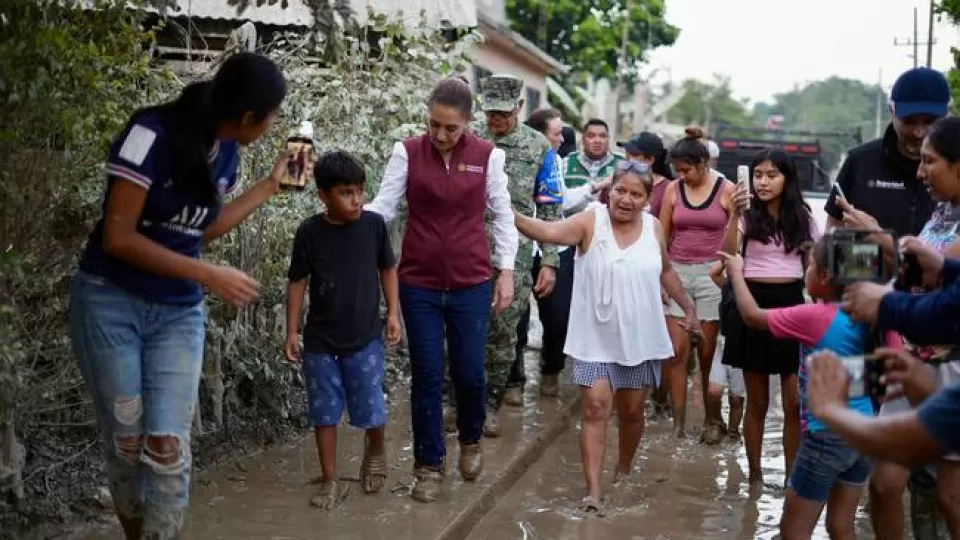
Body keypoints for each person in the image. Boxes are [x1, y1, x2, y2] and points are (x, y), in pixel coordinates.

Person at [69, 52, 287, 539]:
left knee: (167, 447)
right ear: (248, 116)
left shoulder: (227, 148)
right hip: (110, 302)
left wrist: (270, 185)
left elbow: (198, 232)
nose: (275, 125)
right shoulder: (150, 136)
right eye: (272, 116)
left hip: (176, 315)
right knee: (127, 444)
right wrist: (208, 274)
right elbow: (118, 238)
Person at [365, 77, 518, 503]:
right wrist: (350, 221)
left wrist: (505, 270)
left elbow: (502, 216)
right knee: (428, 376)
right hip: (418, 282)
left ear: (468, 123)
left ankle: (470, 439)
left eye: (451, 128)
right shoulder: (407, 151)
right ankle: (428, 467)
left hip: (471, 282)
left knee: (470, 373)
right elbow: (384, 206)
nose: (440, 135)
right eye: (434, 125)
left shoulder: (489, 156)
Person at [514, 160, 698, 510]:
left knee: (631, 413)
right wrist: (512, 216)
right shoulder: (590, 220)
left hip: (639, 337)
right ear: (608, 190)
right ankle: (594, 492)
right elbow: (550, 232)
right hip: (594, 337)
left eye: (636, 194)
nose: (626, 199)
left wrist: (687, 307)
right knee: (596, 407)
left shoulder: (654, 228)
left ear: (647, 199)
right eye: (620, 190)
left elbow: (667, 270)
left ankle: (624, 468)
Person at [719, 234, 900, 538]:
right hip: (864, 431)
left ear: (826, 276)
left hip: (825, 436)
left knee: (793, 530)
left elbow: (752, 316)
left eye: (811, 263)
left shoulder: (815, 317)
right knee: (841, 526)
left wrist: (737, 272)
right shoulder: (878, 316)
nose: (807, 269)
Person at [283, 150, 402, 509]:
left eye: (360, 191)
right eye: (346, 193)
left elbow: (387, 269)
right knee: (324, 412)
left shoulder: (373, 225)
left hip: (365, 337)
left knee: (370, 406)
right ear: (323, 196)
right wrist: (292, 330)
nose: (356, 200)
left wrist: (393, 313)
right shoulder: (309, 232)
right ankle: (331, 479)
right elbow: (297, 281)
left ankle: (376, 448)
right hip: (320, 339)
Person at [470, 75, 561, 436]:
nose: (494, 121)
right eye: (490, 113)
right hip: (466, 249)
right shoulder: (469, 139)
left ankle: (489, 404)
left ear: (519, 109)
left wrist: (550, 260)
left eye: (502, 114)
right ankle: (457, 401)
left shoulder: (540, 148)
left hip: (517, 256)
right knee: (461, 328)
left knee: (504, 333)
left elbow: (551, 210)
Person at [719, 148, 818, 472]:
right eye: (758, 175)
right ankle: (756, 478)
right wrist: (734, 214)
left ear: (787, 179)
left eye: (771, 175)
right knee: (757, 402)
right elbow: (728, 254)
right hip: (752, 302)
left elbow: (813, 270)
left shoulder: (803, 217)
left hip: (791, 304)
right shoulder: (746, 215)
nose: (763, 182)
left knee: (793, 403)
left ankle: (791, 477)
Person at [659, 125, 737, 438]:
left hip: (711, 275)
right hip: (676, 272)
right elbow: (662, 235)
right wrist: (662, 278)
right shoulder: (672, 190)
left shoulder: (727, 189)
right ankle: (678, 425)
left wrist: (726, 270)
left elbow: (736, 237)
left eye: (687, 170)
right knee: (677, 353)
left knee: (706, 354)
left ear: (704, 164)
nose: (682, 176)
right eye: (677, 171)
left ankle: (710, 420)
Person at [515, 107, 575, 399]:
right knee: (516, 315)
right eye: (556, 133)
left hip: (555, 247)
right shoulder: (513, 161)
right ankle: (514, 380)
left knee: (558, 318)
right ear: (539, 136)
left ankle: (551, 368)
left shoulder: (559, 165)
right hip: (520, 246)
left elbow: (560, 204)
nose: (562, 138)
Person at [706, 260, 745, 441]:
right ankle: (717, 423)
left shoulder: (752, 290)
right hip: (723, 344)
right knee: (714, 391)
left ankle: (733, 432)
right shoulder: (727, 286)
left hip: (741, 347)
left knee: (736, 398)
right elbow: (713, 272)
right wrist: (728, 258)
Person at [562, 119, 622, 213]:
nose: (597, 140)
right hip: (574, 224)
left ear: (608, 139)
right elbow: (561, 200)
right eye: (591, 136)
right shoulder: (567, 163)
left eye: (602, 136)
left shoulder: (621, 164)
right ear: (583, 139)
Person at [617, 131, 674, 217]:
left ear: (650, 159)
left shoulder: (668, 189)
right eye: (627, 153)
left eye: (634, 155)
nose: (628, 158)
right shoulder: (618, 181)